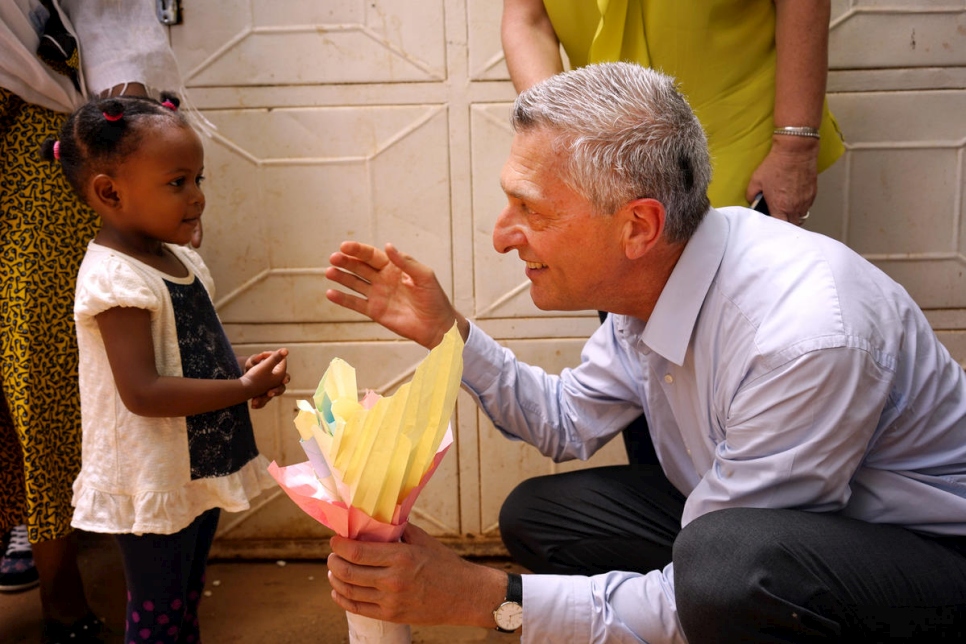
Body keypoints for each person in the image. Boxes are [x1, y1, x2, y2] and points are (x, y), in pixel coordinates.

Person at [322, 62, 966, 642]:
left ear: (638, 226)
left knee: (720, 572)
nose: (501, 236)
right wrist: (447, 335)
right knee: (540, 517)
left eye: (530, 209)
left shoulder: (803, 337)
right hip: (753, 522)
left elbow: (713, 572)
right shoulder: (661, 276)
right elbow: (564, 420)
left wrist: (489, 599)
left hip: (922, 554)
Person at [38, 92, 290, 644]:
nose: (197, 197)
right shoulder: (116, 279)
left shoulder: (177, 258)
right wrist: (239, 386)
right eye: (178, 183)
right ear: (109, 192)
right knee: (156, 616)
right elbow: (143, 391)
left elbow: (184, 351)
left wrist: (241, 374)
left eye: (199, 179)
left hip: (195, 463)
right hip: (151, 474)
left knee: (181, 606)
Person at [0, 2, 192, 641]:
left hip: (27, 122)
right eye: (180, 183)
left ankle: (60, 585)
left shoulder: (125, 269)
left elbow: (141, 387)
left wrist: (134, 135)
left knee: (42, 373)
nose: (196, 198)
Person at [500, 0, 846, 225]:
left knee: (752, 322)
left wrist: (794, 148)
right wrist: (559, 136)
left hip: (743, 144)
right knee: (630, 324)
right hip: (606, 156)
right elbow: (528, 18)